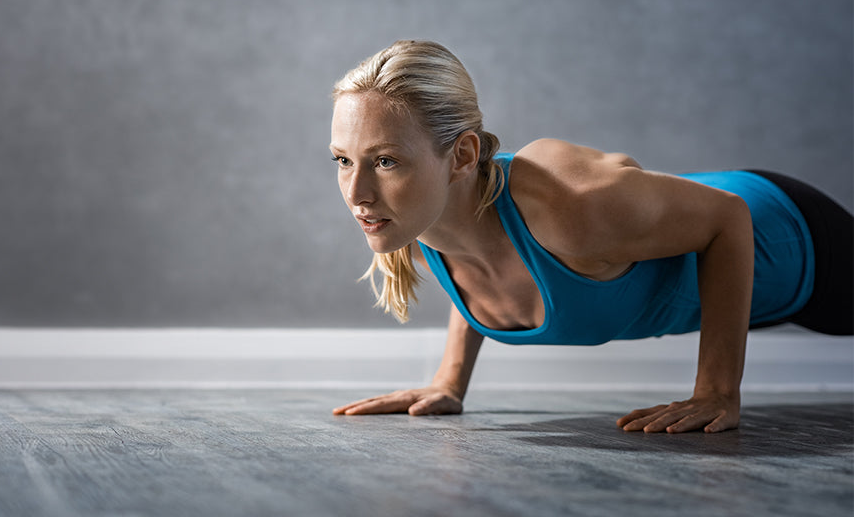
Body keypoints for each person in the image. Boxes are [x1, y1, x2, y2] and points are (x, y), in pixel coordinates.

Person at [328, 40, 853, 434]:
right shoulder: (419, 216)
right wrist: (449, 383)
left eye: (386, 161)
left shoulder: (565, 204)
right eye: (343, 160)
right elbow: (482, 263)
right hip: (760, 283)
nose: (357, 191)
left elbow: (728, 217)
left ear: (462, 156)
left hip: (794, 240)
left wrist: (717, 392)